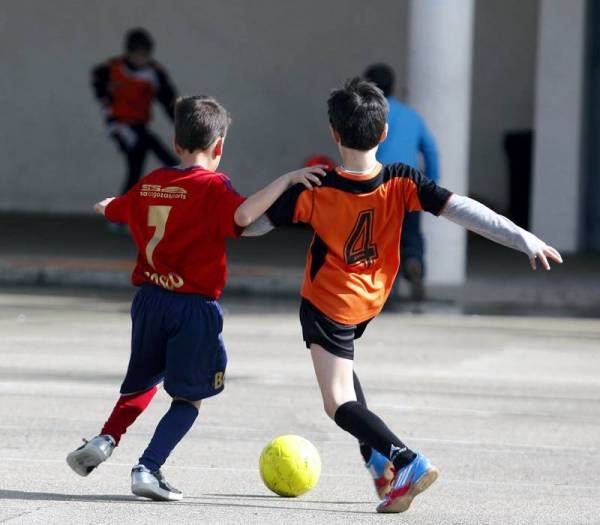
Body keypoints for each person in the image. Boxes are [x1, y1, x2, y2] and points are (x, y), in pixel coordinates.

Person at [264, 78, 562, 513]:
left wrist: (249, 207)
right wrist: (522, 237)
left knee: (338, 402)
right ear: (383, 132)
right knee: (343, 370)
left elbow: (251, 223)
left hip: (328, 303)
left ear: (334, 134)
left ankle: (406, 460)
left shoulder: (318, 186)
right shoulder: (402, 180)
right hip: (370, 299)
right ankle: (382, 470)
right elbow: (465, 210)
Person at [66, 95, 325, 501]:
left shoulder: (151, 183)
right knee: (191, 397)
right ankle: (148, 469)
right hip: (193, 309)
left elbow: (118, 207)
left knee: (142, 383)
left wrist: (105, 207)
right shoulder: (213, 187)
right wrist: (288, 179)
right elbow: (243, 217)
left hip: (149, 300)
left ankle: (105, 439)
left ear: (175, 142)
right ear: (219, 145)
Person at [364, 63, 439, 301]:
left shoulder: (368, 115)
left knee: (380, 235)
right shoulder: (411, 115)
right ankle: (413, 261)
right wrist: (431, 183)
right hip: (411, 185)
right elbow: (431, 150)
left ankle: (386, 282)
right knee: (411, 232)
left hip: (379, 184)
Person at [91, 28, 179, 195]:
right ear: (128, 53)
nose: (141, 59)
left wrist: (179, 124)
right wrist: (103, 95)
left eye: (145, 55)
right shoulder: (114, 68)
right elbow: (97, 77)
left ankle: (119, 211)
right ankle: (176, 169)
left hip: (139, 124)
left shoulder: (154, 73)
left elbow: (168, 100)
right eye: (137, 54)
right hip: (119, 123)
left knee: (136, 166)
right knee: (148, 143)